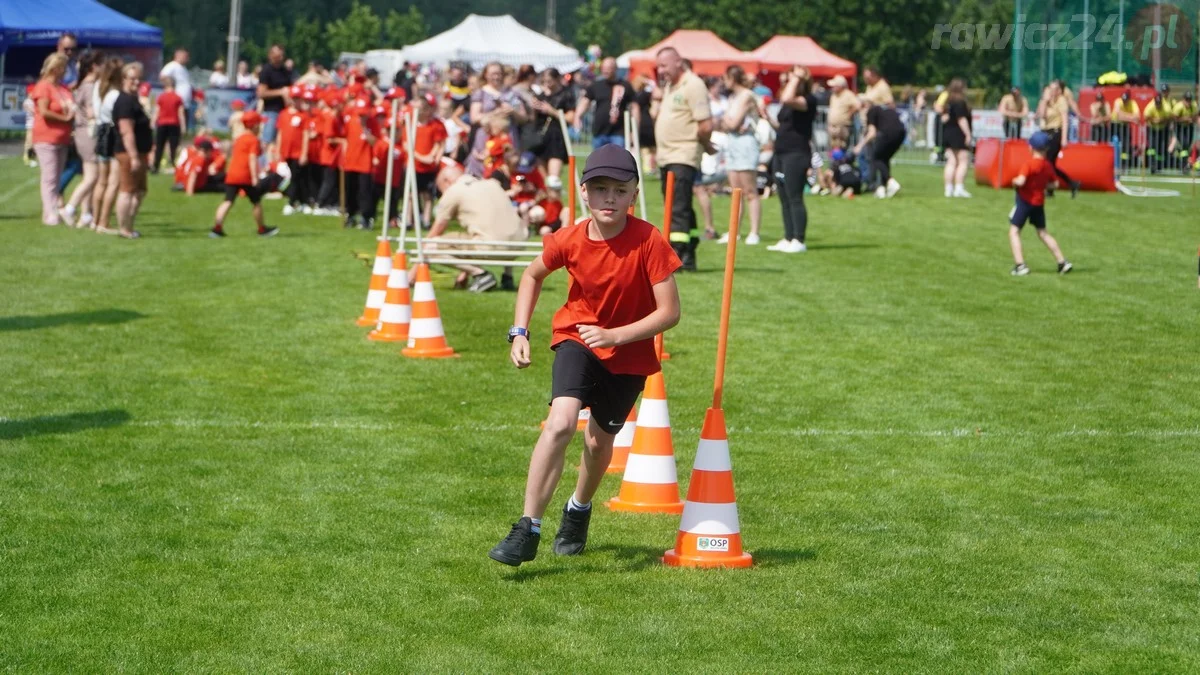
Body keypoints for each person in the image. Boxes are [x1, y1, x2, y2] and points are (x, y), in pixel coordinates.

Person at [488, 144, 681, 566]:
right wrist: (519, 330)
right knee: (559, 423)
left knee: (598, 442)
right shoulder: (569, 238)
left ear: (634, 195)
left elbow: (670, 312)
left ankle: (578, 509)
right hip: (577, 339)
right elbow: (531, 275)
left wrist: (615, 334)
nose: (609, 198)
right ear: (584, 193)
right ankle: (527, 527)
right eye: (599, 189)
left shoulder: (650, 241)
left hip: (628, 354)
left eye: (619, 189)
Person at [651, 47, 714, 270]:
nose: (660, 71)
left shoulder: (693, 85)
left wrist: (705, 144)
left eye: (664, 65)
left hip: (683, 155)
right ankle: (689, 252)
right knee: (680, 205)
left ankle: (676, 254)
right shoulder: (670, 86)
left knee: (676, 207)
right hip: (667, 155)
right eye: (658, 66)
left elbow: (705, 124)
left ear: (678, 62)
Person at [426, 161, 528, 293]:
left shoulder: (455, 190)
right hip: (519, 243)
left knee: (431, 246)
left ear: (446, 181)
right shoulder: (492, 184)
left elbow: (436, 230)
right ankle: (507, 276)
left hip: (492, 246)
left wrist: (412, 274)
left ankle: (481, 275)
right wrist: (464, 272)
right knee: (495, 229)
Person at [767, 66, 817, 253]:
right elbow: (784, 126)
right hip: (781, 152)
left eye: (791, 79)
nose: (787, 82)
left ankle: (799, 239)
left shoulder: (808, 100)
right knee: (784, 195)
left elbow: (787, 98)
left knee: (795, 196)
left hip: (797, 154)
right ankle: (788, 237)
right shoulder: (790, 104)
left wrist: (796, 77)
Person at [1008, 131, 1072, 276]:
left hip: (1025, 202)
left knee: (1014, 231)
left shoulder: (1029, 164)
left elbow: (1021, 181)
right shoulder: (1047, 165)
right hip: (1039, 203)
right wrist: (1041, 186)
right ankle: (1062, 262)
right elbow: (1055, 184)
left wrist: (1014, 181)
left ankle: (1020, 265)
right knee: (1043, 232)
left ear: (1031, 148)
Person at [210, 111, 280, 238]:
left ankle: (217, 228)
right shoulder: (253, 140)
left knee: (227, 201)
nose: (261, 127)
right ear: (254, 126)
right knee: (256, 201)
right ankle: (262, 229)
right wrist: (254, 177)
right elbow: (252, 158)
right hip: (245, 175)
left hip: (232, 174)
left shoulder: (240, 138)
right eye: (259, 124)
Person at [717, 65, 764, 245]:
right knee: (735, 191)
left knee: (750, 191)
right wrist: (727, 122)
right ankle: (734, 231)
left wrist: (727, 122)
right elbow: (726, 123)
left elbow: (732, 122)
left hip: (745, 144)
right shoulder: (733, 97)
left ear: (732, 77)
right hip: (733, 143)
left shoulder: (746, 96)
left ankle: (754, 232)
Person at [60, 50, 104, 228]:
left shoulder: (82, 85)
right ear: (94, 67)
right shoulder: (91, 87)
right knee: (93, 176)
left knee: (89, 174)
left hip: (82, 132)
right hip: (89, 133)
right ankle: (69, 208)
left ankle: (86, 214)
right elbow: (92, 112)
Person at [31, 53, 75, 226]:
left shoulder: (63, 89)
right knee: (49, 176)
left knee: (56, 177)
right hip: (46, 137)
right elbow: (44, 111)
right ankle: (50, 214)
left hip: (62, 138)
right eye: (63, 67)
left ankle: (52, 209)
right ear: (55, 68)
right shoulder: (43, 86)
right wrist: (65, 119)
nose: (65, 71)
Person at [112, 62, 153, 239]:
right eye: (132, 79)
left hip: (140, 152)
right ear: (123, 79)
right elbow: (126, 131)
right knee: (127, 191)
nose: (136, 82)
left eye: (139, 79)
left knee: (140, 191)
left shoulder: (134, 99)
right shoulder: (124, 101)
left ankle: (130, 225)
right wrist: (134, 156)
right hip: (129, 153)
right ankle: (124, 228)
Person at [466, 62, 528, 177]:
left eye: (499, 74)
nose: (496, 77)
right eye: (493, 74)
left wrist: (512, 111)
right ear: (486, 75)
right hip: (486, 138)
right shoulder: (481, 93)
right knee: (485, 169)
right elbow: (474, 118)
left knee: (508, 169)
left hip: (507, 138)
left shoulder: (512, 93)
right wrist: (495, 113)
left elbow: (524, 117)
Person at [91, 57, 124, 235]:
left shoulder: (99, 88)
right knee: (114, 182)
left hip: (102, 132)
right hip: (113, 133)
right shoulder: (116, 95)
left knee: (101, 181)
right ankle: (104, 222)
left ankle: (95, 221)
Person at [574, 57, 633, 148]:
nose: (605, 71)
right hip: (599, 132)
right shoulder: (596, 85)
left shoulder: (625, 85)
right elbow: (585, 101)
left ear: (615, 69)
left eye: (609, 69)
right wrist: (578, 116)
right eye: (604, 68)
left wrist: (633, 129)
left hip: (619, 132)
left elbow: (634, 106)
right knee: (599, 161)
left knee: (617, 161)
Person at [1035, 80, 1080, 196]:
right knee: (1049, 164)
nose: (1051, 91)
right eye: (1050, 89)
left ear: (1059, 91)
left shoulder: (1062, 101)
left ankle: (1051, 188)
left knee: (1048, 163)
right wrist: (1044, 101)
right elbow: (1043, 116)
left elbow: (1065, 120)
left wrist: (1064, 138)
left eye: (1054, 89)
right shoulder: (1046, 101)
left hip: (1056, 132)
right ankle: (1071, 183)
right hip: (1045, 132)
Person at [855, 97, 906, 198]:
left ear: (865, 105)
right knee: (884, 158)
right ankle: (883, 187)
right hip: (901, 133)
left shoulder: (871, 111)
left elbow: (872, 133)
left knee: (876, 158)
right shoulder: (885, 109)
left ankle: (890, 182)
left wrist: (859, 146)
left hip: (888, 133)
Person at [412, 93, 449, 228]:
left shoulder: (436, 124)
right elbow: (406, 143)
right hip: (414, 164)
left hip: (428, 166)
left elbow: (439, 143)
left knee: (427, 195)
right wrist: (420, 157)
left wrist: (433, 158)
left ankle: (426, 221)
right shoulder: (411, 122)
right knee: (411, 194)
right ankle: (410, 220)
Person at [532, 68, 575, 180]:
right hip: (540, 139)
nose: (547, 84)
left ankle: (555, 196)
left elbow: (571, 118)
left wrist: (551, 111)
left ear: (557, 79)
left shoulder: (566, 95)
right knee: (541, 180)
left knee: (553, 179)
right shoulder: (541, 95)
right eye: (544, 81)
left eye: (550, 81)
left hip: (556, 139)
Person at [341, 97, 377, 229]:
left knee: (364, 192)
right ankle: (350, 215)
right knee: (350, 190)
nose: (362, 116)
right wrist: (343, 157)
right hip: (350, 161)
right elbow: (345, 139)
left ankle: (366, 217)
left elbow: (375, 142)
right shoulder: (350, 121)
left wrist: (367, 133)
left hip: (365, 163)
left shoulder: (372, 123)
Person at [256, 45, 295, 152]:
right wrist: (280, 92)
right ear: (271, 55)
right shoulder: (266, 70)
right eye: (278, 55)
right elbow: (261, 93)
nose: (280, 58)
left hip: (285, 111)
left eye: (282, 55)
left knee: (281, 141)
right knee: (267, 141)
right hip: (271, 111)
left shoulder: (286, 71)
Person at [941, 78, 974, 198]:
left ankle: (948, 188)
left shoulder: (948, 102)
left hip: (948, 133)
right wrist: (968, 134)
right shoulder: (960, 102)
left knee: (951, 162)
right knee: (963, 161)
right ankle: (959, 188)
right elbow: (962, 119)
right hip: (958, 133)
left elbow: (944, 117)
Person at [152, 76, 186, 173]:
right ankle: (173, 164)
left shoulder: (161, 97)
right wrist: (183, 126)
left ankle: (156, 165)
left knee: (159, 146)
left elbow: (157, 111)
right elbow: (181, 113)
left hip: (162, 123)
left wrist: (153, 122)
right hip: (174, 124)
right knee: (173, 146)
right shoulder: (178, 97)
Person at [158, 48, 193, 129]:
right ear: (178, 55)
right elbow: (163, 76)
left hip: (185, 101)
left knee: (184, 123)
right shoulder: (172, 66)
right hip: (176, 100)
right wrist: (171, 87)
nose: (187, 59)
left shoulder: (183, 68)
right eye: (185, 56)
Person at [1143, 85, 1174, 173]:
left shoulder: (1166, 108)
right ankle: (1152, 165)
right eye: (1157, 104)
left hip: (1162, 128)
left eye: (1159, 104)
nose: (1158, 105)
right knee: (1152, 147)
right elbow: (1146, 117)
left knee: (1161, 147)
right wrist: (1154, 120)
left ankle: (1159, 166)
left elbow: (1170, 117)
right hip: (1152, 128)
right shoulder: (1150, 107)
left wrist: (1161, 120)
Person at [630, 75, 657, 172]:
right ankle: (650, 166)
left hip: (639, 121)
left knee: (643, 147)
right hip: (646, 120)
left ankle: (648, 166)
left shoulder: (634, 95)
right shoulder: (645, 94)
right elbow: (655, 92)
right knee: (651, 148)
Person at [1109, 89, 1141, 169]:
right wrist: (1131, 118)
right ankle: (1111, 163)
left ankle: (1123, 165)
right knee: (1113, 144)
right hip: (1115, 125)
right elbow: (1118, 116)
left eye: (1126, 99)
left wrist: (1124, 116)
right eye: (1123, 99)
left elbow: (1137, 116)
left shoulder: (1133, 103)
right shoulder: (1117, 101)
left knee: (1126, 146)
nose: (1124, 101)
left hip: (1125, 126)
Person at [825, 75, 859, 146]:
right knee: (833, 146)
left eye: (835, 86)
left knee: (841, 146)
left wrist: (849, 114)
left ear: (840, 86)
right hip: (832, 126)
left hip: (843, 126)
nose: (833, 87)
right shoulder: (833, 95)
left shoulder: (848, 94)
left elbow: (857, 105)